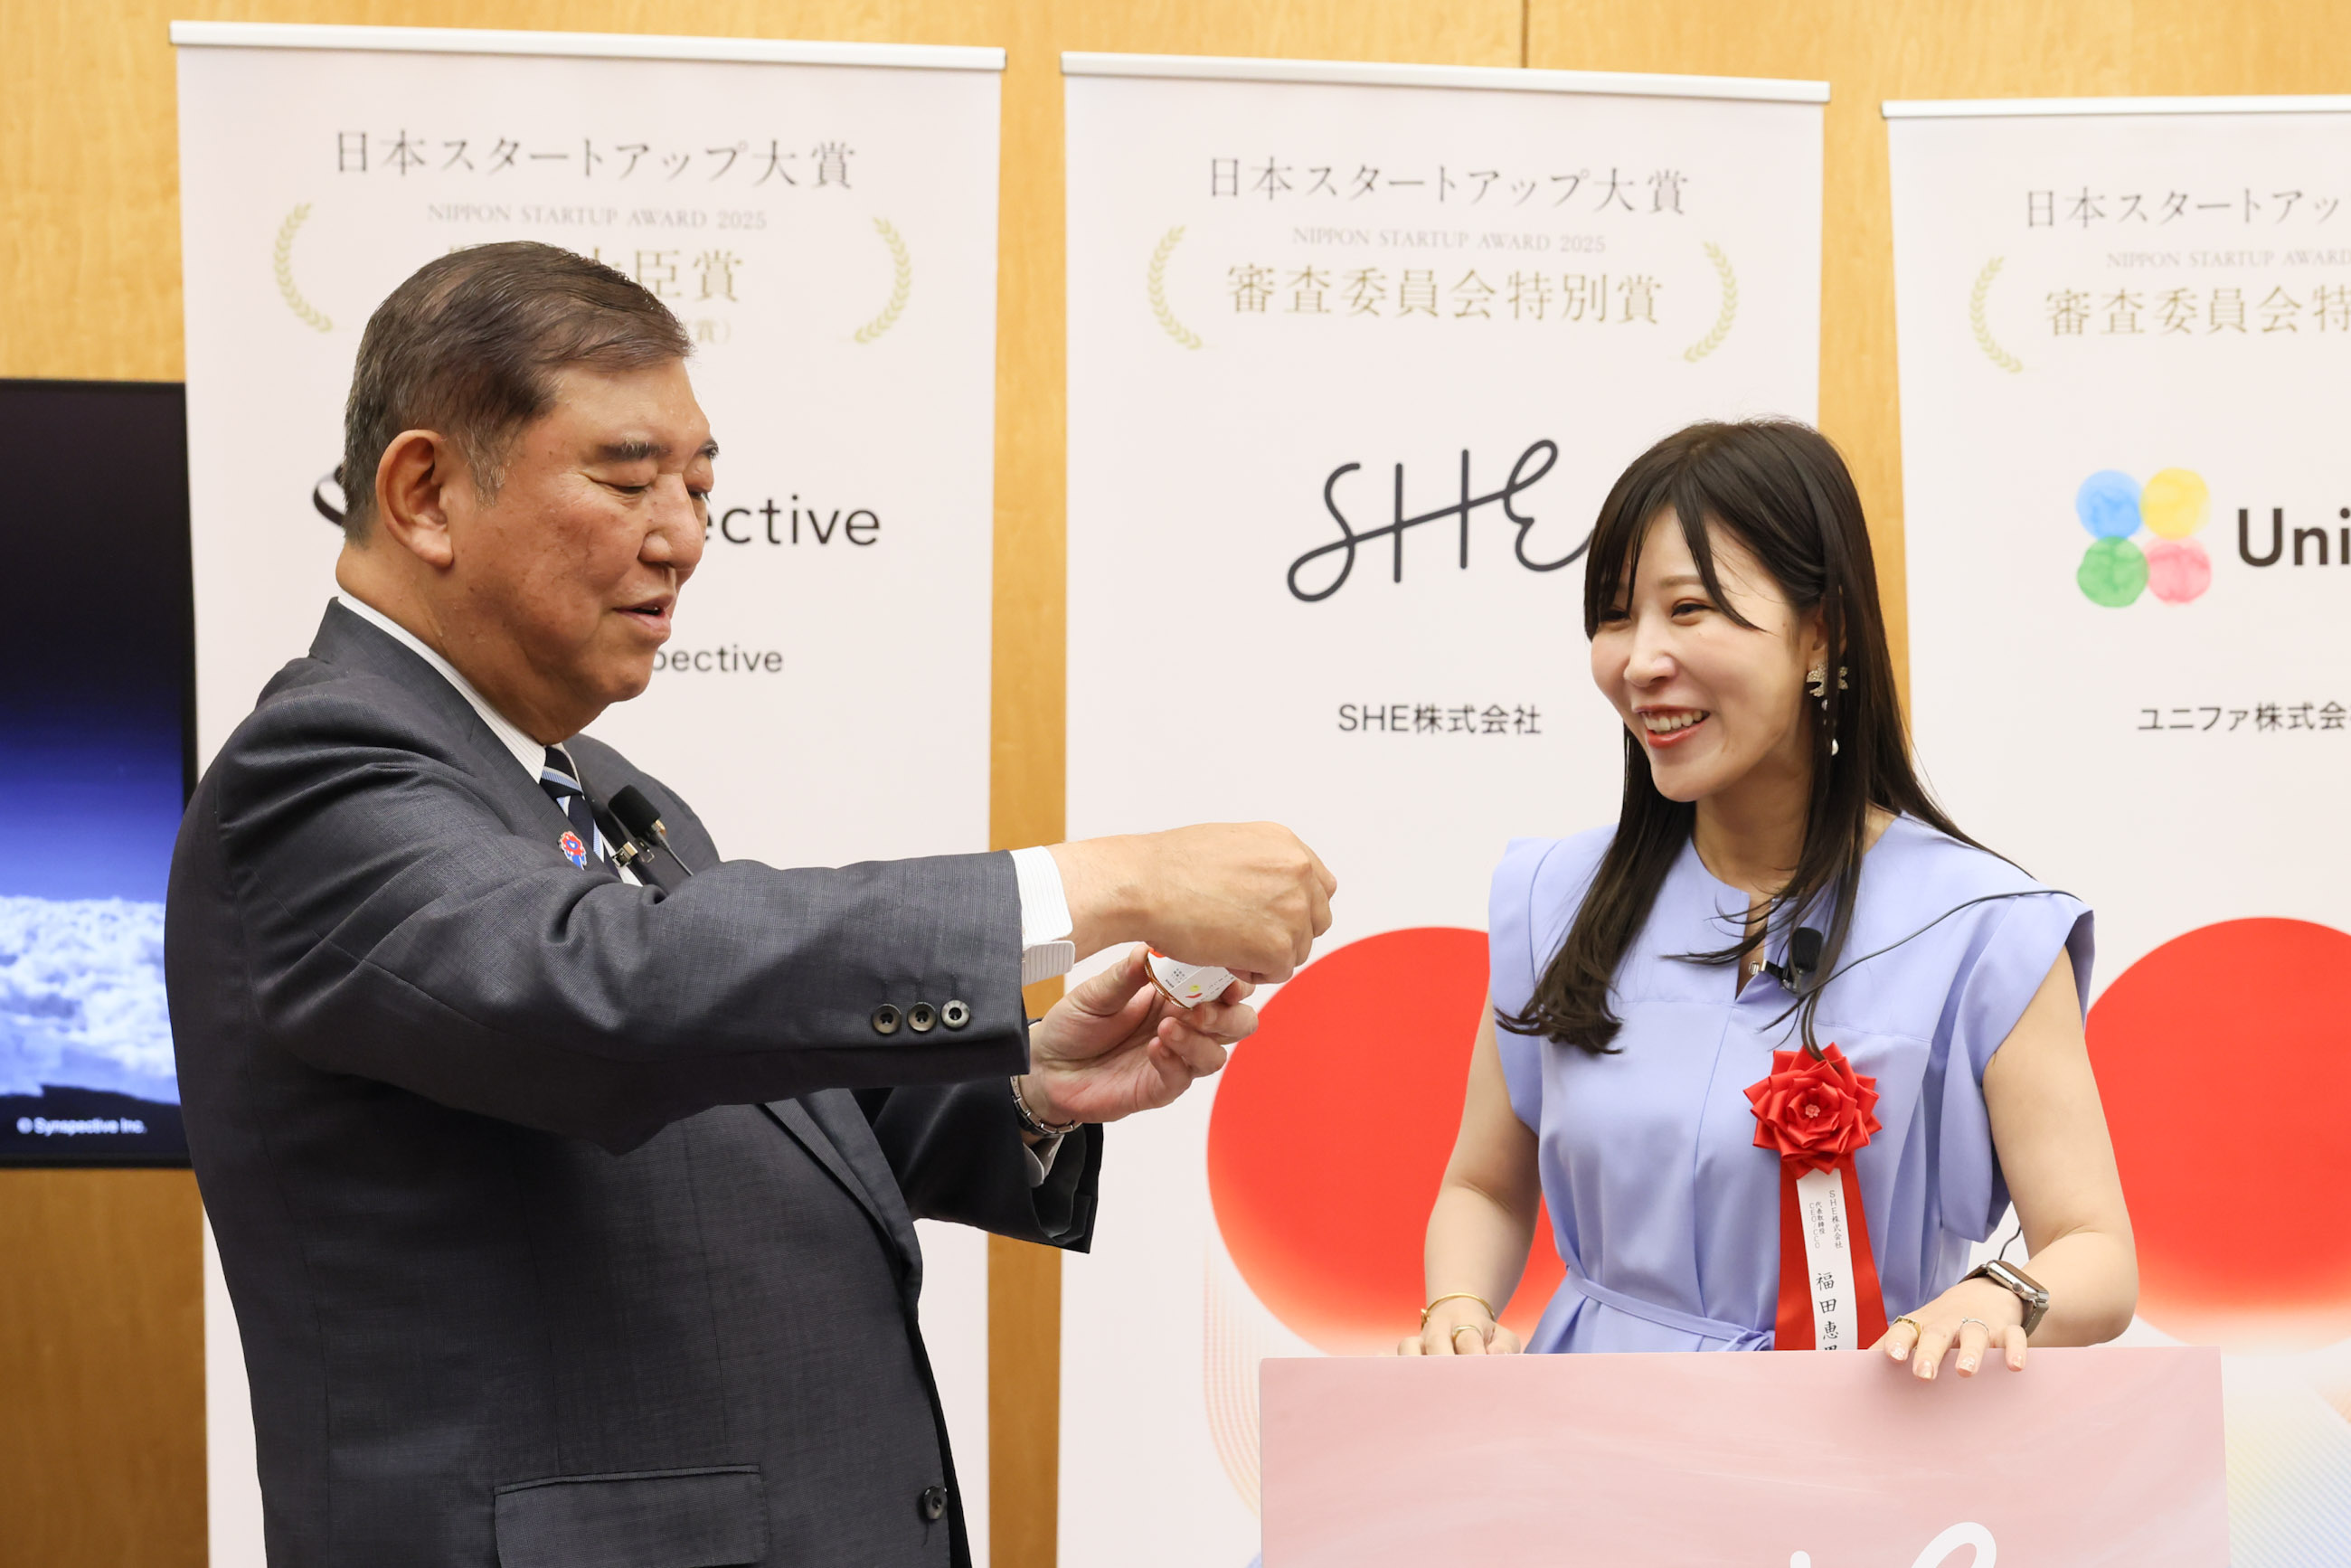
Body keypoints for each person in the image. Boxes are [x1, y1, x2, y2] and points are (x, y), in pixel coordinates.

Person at [166, 241, 1336, 1568]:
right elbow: (605, 996)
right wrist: (1101, 880)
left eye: (701, 482)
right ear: (426, 491)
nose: (683, 534)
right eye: (625, 476)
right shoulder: (313, 775)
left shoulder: (604, 789)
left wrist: (1027, 1087)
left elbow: (722, 1080)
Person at [1401, 420, 2136, 1377]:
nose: (1639, 660)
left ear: (1819, 630)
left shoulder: (1985, 928)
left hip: (1850, 1461)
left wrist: (1999, 1297)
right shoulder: (1553, 897)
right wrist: (1457, 1307)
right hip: (1585, 1447)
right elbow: (1484, 1185)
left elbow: (2096, 1252)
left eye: (1689, 608)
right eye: (1616, 615)